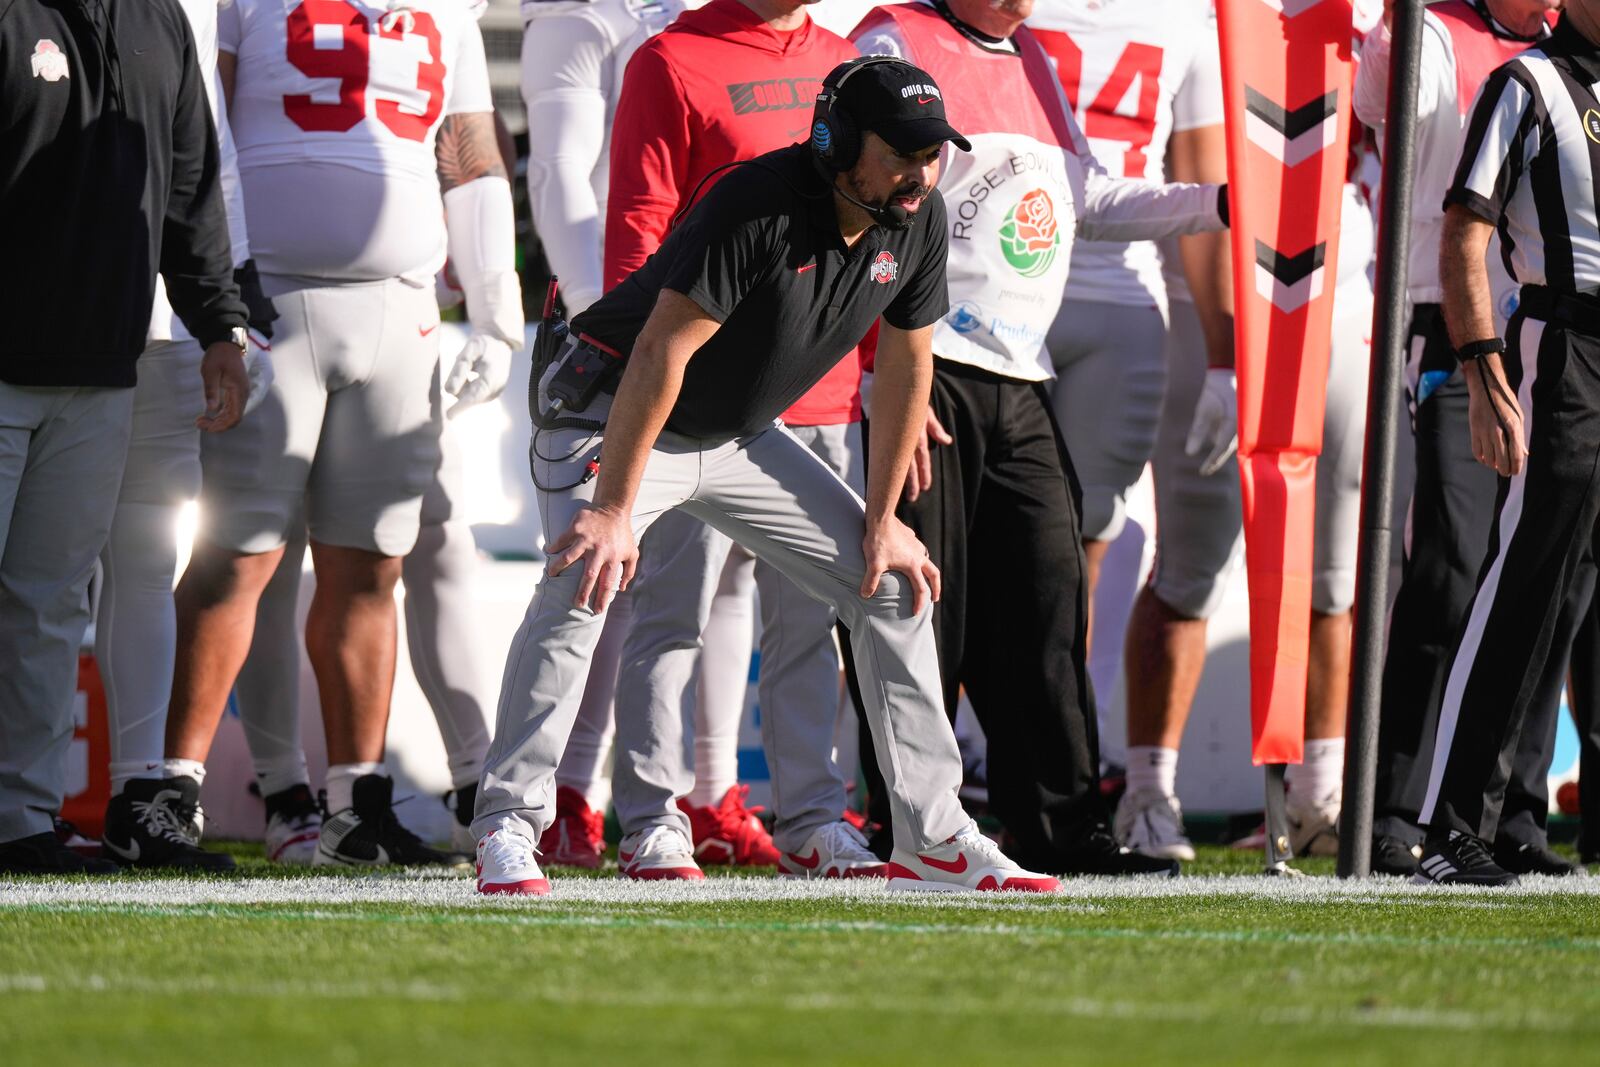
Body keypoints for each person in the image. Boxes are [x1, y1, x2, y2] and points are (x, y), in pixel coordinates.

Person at [473, 57, 1061, 896]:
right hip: (609, 405)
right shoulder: (755, 201)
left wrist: (885, 518)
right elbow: (659, 352)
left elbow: (903, 369)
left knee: (889, 586)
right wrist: (612, 509)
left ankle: (932, 837)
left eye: (933, 153)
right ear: (836, 142)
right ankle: (507, 821)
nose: (921, 173)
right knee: (587, 577)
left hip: (736, 430)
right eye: (902, 151)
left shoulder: (917, 215)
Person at [843, 0, 1224, 877]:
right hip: (924, 370)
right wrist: (886, 366)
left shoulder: (1032, 57)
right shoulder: (895, 40)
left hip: (1021, 370)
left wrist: (1218, 204)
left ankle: (1061, 827)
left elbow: (1084, 196)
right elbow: (852, 207)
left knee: (1049, 602)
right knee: (916, 611)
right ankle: (910, 828)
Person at [157, 0, 518, 868]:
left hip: (401, 305)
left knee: (371, 564)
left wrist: (498, 310)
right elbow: (210, 122)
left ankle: (355, 799)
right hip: (274, 295)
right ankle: (170, 788)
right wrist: (225, 280)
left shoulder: (445, 8)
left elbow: (469, 156)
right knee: (238, 556)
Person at [557, 0, 882, 880]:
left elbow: (885, 223)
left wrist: (885, 368)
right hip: (699, 397)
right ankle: (652, 816)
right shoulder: (670, 58)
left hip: (821, 391)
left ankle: (813, 817)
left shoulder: (848, 58)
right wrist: (632, 377)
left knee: (811, 624)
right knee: (668, 615)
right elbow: (639, 227)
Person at [0, 0, 249, 875]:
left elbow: (188, 186)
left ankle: (18, 818)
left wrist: (219, 322)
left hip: (105, 368)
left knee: (50, 602)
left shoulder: (159, 21)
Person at [1354, 0, 1583, 878]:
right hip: (1452, 321)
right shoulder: (1434, 32)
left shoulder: (1574, 60)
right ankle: (1399, 805)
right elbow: (1384, 107)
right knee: (1452, 563)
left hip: (1549, 329)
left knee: (1554, 577)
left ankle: (1514, 808)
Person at [1416, 0, 1600, 885]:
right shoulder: (1527, 82)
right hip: (1565, 346)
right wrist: (1486, 370)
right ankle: (1453, 826)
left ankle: (1530, 816)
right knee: (1522, 584)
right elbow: (1466, 227)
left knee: (1577, 603)